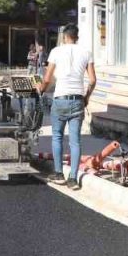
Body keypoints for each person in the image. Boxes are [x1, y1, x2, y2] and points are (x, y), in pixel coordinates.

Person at [35, 24, 96, 191]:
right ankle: (73, 179)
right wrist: (86, 98)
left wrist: (41, 88)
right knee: (75, 141)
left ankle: (58, 173)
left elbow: (47, 78)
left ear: (64, 37)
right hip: (77, 100)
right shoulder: (86, 53)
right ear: (77, 37)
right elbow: (92, 80)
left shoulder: (56, 51)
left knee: (57, 137)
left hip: (60, 99)